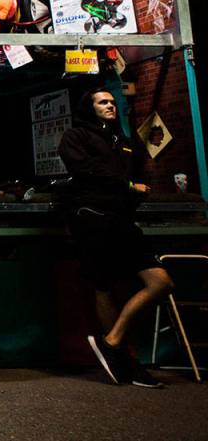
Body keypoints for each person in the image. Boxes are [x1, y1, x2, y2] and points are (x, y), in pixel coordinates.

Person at [57, 87, 174, 388]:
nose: (110, 105)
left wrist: (131, 189)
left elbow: (132, 174)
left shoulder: (122, 140)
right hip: (94, 218)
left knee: (161, 282)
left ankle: (111, 342)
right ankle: (123, 359)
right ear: (89, 107)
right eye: (103, 102)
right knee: (103, 283)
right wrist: (127, 186)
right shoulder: (76, 137)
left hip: (122, 219)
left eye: (112, 101)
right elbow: (86, 171)